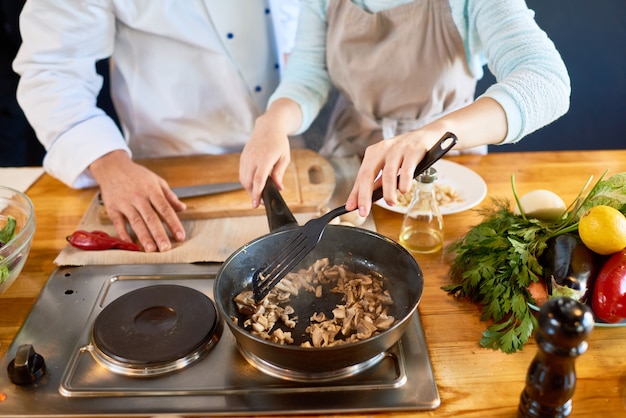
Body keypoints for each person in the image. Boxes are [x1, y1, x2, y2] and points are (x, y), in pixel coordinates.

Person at [13, 0, 300, 252]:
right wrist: (107, 162)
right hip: (171, 164)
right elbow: (51, 69)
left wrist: (280, 117)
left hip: (291, 148)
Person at [239, 0, 571, 217]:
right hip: (349, 165)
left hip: (446, 168)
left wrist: (433, 135)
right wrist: (272, 122)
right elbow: (307, 77)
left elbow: (546, 80)